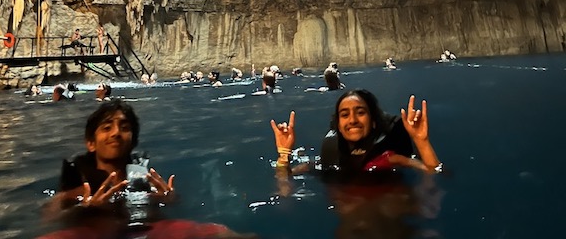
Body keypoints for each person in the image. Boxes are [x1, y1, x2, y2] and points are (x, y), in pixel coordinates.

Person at [42, 100, 246, 238]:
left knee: (223, 233)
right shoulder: (77, 183)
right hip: (91, 232)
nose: (116, 133)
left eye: (124, 127)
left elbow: (161, 215)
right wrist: (83, 210)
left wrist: (170, 200)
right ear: (91, 143)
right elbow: (50, 218)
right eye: (106, 128)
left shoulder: (144, 178)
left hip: (144, 230)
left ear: (133, 140)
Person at [270, 90, 442, 177]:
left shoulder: (389, 159)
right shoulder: (328, 160)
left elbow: (434, 173)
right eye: (344, 115)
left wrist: (422, 141)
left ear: (373, 121)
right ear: (338, 124)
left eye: (360, 112)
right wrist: (284, 154)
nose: (352, 120)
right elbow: (285, 182)